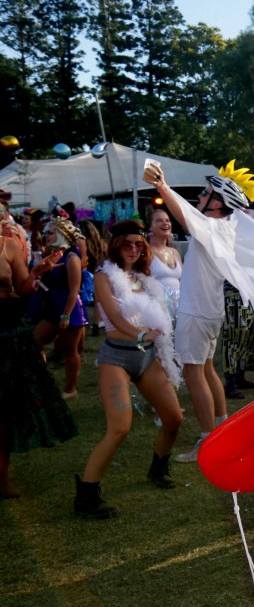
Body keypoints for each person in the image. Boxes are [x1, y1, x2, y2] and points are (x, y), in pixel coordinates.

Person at [144, 160, 254, 462]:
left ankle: (208, 440)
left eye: (205, 193)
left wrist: (162, 186)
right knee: (207, 370)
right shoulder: (224, 226)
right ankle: (220, 429)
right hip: (209, 311)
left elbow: (184, 214)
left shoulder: (211, 226)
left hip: (196, 311)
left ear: (217, 202)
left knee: (194, 374)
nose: (200, 197)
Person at [73, 221, 184, 518]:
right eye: (127, 244)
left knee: (174, 419)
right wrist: (141, 333)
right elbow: (115, 320)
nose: (133, 249)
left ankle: (158, 469)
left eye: (138, 244)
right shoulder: (103, 276)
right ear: (116, 245)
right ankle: (86, 496)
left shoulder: (145, 277)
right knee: (120, 428)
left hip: (147, 357)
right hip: (117, 358)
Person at [1, 208, 77, 498]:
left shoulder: (8, 245)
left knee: (5, 408)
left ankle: (2, 474)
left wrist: (36, 274)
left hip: (5, 331)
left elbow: (23, 288)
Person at [26, 217, 87, 399]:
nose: (46, 236)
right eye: (46, 232)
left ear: (61, 235)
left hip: (69, 308)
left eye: (51, 232)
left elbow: (74, 290)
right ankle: (44, 382)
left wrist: (66, 315)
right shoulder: (53, 255)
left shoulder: (72, 257)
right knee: (35, 343)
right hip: (52, 307)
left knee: (69, 350)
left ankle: (70, 389)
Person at [146, 206, 182, 323]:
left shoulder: (174, 252)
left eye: (167, 220)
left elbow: (183, 281)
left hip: (180, 308)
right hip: (157, 309)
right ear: (150, 227)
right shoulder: (146, 252)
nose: (165, 223)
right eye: (159, 221)